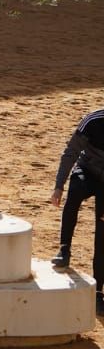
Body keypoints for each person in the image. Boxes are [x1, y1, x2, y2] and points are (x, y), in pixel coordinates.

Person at [49, 106, 104, 316]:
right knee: (74, 195)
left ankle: (98, 291)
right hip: (87, 171)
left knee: (102, 233)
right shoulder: (93, 120)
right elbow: (71, 152)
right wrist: (58, 186)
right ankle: (64, 248)